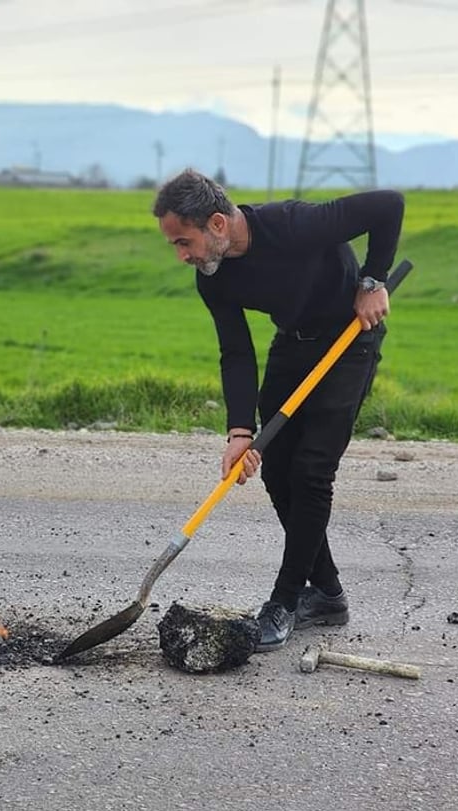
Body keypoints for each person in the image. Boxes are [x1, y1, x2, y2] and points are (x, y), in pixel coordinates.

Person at [151, 169, 405, 651]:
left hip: (350, 340)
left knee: (311, 472)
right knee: (276, 471)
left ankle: (285, 600)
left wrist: (372, 280)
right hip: (293, 345)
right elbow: (237, 353)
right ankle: (327, 592)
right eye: (176, 247)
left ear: (218, 225)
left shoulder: (293, 224)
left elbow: (387, 204)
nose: (184, 256)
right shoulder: (212, 279)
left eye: (185, 242)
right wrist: (239, 433)